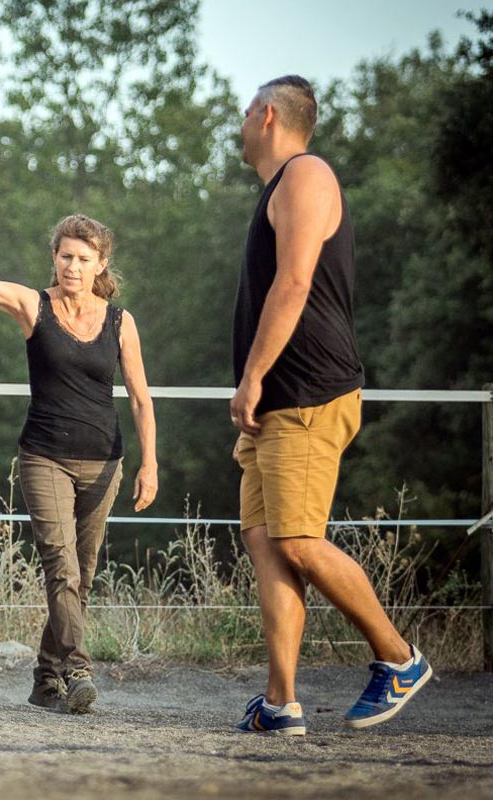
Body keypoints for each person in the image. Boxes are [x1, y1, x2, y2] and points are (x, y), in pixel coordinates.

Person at [230, 75, 430, 735]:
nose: (238, 123)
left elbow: (294, 282)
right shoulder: (279, 185)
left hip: (308, 392)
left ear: (266, 115)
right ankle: (281, 702)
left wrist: (253, 376)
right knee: (267, 543)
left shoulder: (306, 174)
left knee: (298, 540)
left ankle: (398, 658)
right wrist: (256, 391)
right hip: (277, 403)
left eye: (243, 112)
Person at [0, 215, 158, 714]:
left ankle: (44, 679)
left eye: (83, 258)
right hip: (44, 457)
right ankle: (77, 668)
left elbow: (141, 399)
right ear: (54, 258)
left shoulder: (121, 322)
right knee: (62, 568)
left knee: (84, 573)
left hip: (105, 463)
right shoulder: (35, 306)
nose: (73, 266)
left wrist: (149, 464)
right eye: (65, 256)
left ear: (100, 265)